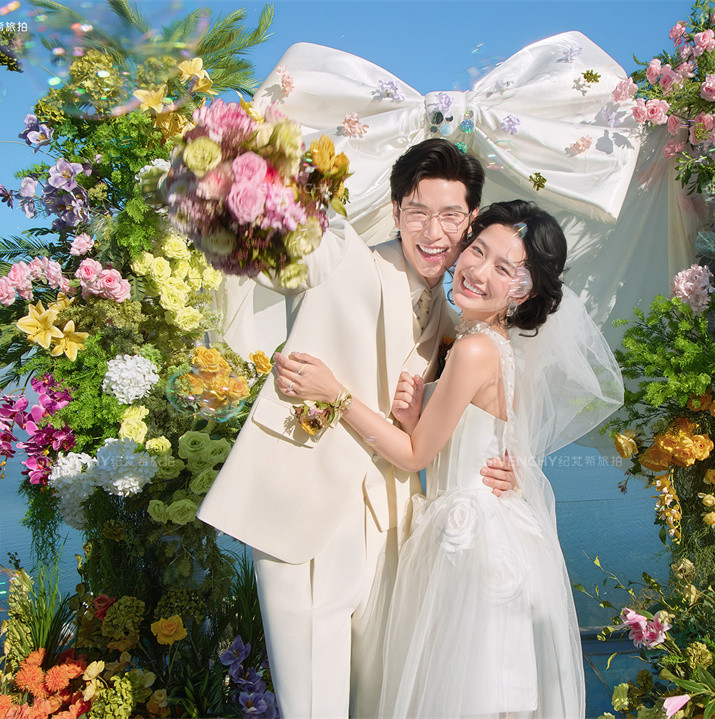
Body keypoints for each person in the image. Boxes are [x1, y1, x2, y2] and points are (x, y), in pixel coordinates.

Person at [196, 138, 517, 718]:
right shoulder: (344, 255)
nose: (434, 232)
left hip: (396, 521)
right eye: (417, 212)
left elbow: (476, 407)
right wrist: (237, 176)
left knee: (382, 698)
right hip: (306, 505)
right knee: (312, 704)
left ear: (470, 220)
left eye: (451, 216)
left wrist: (500, 464)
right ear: (395, 211)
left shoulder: (453, 316)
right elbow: (301, 244)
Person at [275, 200, 623, 718]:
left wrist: (334, 394)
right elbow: (469, 440)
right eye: (477, 251)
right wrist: (418, 416)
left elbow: (414, 456)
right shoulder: (493, 345)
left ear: (523, 291)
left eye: (503, 268)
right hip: (488, 528)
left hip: (467, 540)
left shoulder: (474, 350)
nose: (477, 271)